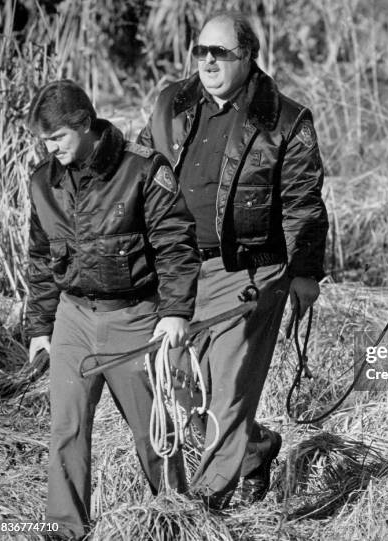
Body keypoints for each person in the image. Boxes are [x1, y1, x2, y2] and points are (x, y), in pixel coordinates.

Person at [137, 11, 328, 508]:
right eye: (201, 50)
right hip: (178, 270)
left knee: (228, 390)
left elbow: (304, 204)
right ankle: (255, 450)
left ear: (248, 57)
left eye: (220, 52)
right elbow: (140, 171)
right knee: (179, 383)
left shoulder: (285, 120)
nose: (207, 61)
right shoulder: (170, 104)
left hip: (251, 270)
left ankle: (203, 503)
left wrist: (304, 273)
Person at [26, 80, 200, 538]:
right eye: (43, 140)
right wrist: (39, 327)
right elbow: (42, 259)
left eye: (57, 138)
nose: (49, 148)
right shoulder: (42, 182)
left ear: (84, 125)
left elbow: (175, 244)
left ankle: (175, 517)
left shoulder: (142, 169)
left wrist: (176, 312)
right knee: (66, 429)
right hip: (73, 318)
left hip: (135, 317)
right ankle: (64, 529)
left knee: (153, 433)